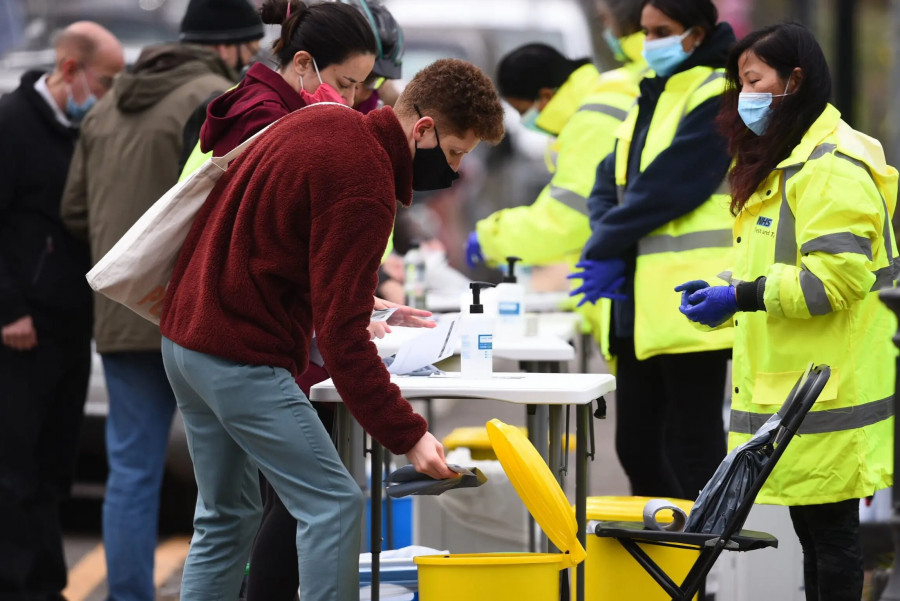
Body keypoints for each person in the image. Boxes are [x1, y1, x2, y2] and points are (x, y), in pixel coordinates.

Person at [157, 57, 505, 601]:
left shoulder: (326, 121)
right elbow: (343, 342)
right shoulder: (366, 182)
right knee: (334, 503)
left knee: (226, 517)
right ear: (423, 129)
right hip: (240, 352)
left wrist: (368, 304)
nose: (455, 171)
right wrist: (408, 434)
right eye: (456, 153)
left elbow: (279, 250)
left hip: (186, 339)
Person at [678, 22, 895, 599]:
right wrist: (725, 294)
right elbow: (780, 267)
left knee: (832, 540)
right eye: (739, 82)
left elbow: (836, 281)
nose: (743, 95)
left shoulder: (830, 165)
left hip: (829, 392)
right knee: (818, 538)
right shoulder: (791, 162)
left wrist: (743, 296)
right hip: (801, 389)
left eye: (754, 80)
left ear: (794, 81)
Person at [59, 2, 265, 600]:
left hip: (121, 314)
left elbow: (74, 210)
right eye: (251, 47)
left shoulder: (104, 108)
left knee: (132, 471)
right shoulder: (221, 99)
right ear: (230, 47)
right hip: (197, 313)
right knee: (230, 476)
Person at [572, 0, 736, 500]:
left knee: (691, 453)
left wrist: (602, 243)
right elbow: (610, 181)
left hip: (688, 304)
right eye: (645, 32)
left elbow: (670, 186)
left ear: (696, 34)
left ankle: (694, 574)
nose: (649, 43)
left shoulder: (717, 93)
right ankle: (656, 570)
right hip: (638, 304)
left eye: (661, 31)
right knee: (637, 450)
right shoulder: (654, 92)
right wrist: (608, 246)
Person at [0, 22, 123, 600]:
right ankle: (25, 586)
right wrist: (9, 309)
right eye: (107, 80)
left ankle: (46, 584)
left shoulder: (86, 130)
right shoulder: (12, 123)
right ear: (71, 69)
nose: (110, 94)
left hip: (74, 324)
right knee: (17, 469)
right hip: (22, 331)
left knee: (54, 469)